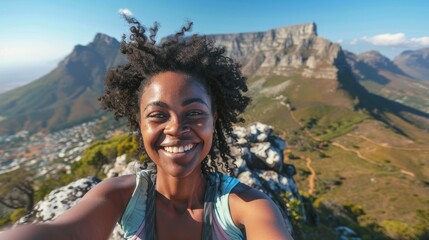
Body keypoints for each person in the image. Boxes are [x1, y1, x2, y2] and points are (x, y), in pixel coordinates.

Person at [0, 16, 293, 240]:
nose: (177, 128)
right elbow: (63, 232)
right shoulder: (118, 196)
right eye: (158, 115)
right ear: (139, 124)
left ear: (213, 121)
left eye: (194, 113)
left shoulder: (249, 206)